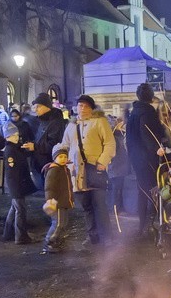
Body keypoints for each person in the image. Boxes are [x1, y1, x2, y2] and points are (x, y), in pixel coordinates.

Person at [60, 95, 116, 245]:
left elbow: (110, 144)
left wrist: (102, 161)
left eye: (85, 106)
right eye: (80, 105)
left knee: (100, 204)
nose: (82, 108)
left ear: (91, 108)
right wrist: (60, 157)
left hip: (95, 169)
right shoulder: (71, 125)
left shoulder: (100, 122)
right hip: (77, 172)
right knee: (86, 206)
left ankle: (107, 237)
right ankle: (92, 235)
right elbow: (64, 145)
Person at [126, 83, 165, 237]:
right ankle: (149, 224)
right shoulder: (147, 112)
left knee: (142, 191)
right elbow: (146, 132)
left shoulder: (134, 111)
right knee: (153, 190)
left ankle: (143, 225)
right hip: (147, 158)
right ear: (150, 95)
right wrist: (156, 148)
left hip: (136, 158)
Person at [1, 121, 37, 244]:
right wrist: (16, 189)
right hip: (16, 186)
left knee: (14, 208)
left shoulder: (16, 148)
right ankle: (21, 236)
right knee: (20, 210)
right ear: (7, 137)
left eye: (16, 135)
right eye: (13, 135)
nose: (16, 137)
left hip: (17, 185)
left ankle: (8, 232)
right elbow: (12, 173)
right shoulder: (11, 150)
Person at [42, 146, 73, 254]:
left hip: (64, 202)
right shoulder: (54, 170)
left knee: (63, 223)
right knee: (58, 223)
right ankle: (49, 242)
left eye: (65, 156)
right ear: (55, 158)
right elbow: (49, 187)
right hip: (57, 203)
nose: (63, 159)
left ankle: (57, 240)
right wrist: (50, 200)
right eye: (60, 156)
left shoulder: (64, 169)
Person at [31, 93, 67, 186]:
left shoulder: (55, 122)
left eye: (38, 107)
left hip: (50, 165)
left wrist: (35, 146)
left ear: (47, 106)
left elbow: (54, 145)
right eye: (35, 107)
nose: (35, 110)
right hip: (42, 165)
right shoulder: (42, 120)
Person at [108, 115, 130, 214]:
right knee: (116, 189)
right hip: (116, 166)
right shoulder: (115, 136)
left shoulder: (120, 135)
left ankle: (118, 207)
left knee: (118, 188)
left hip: (120, 166)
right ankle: (115, 208)